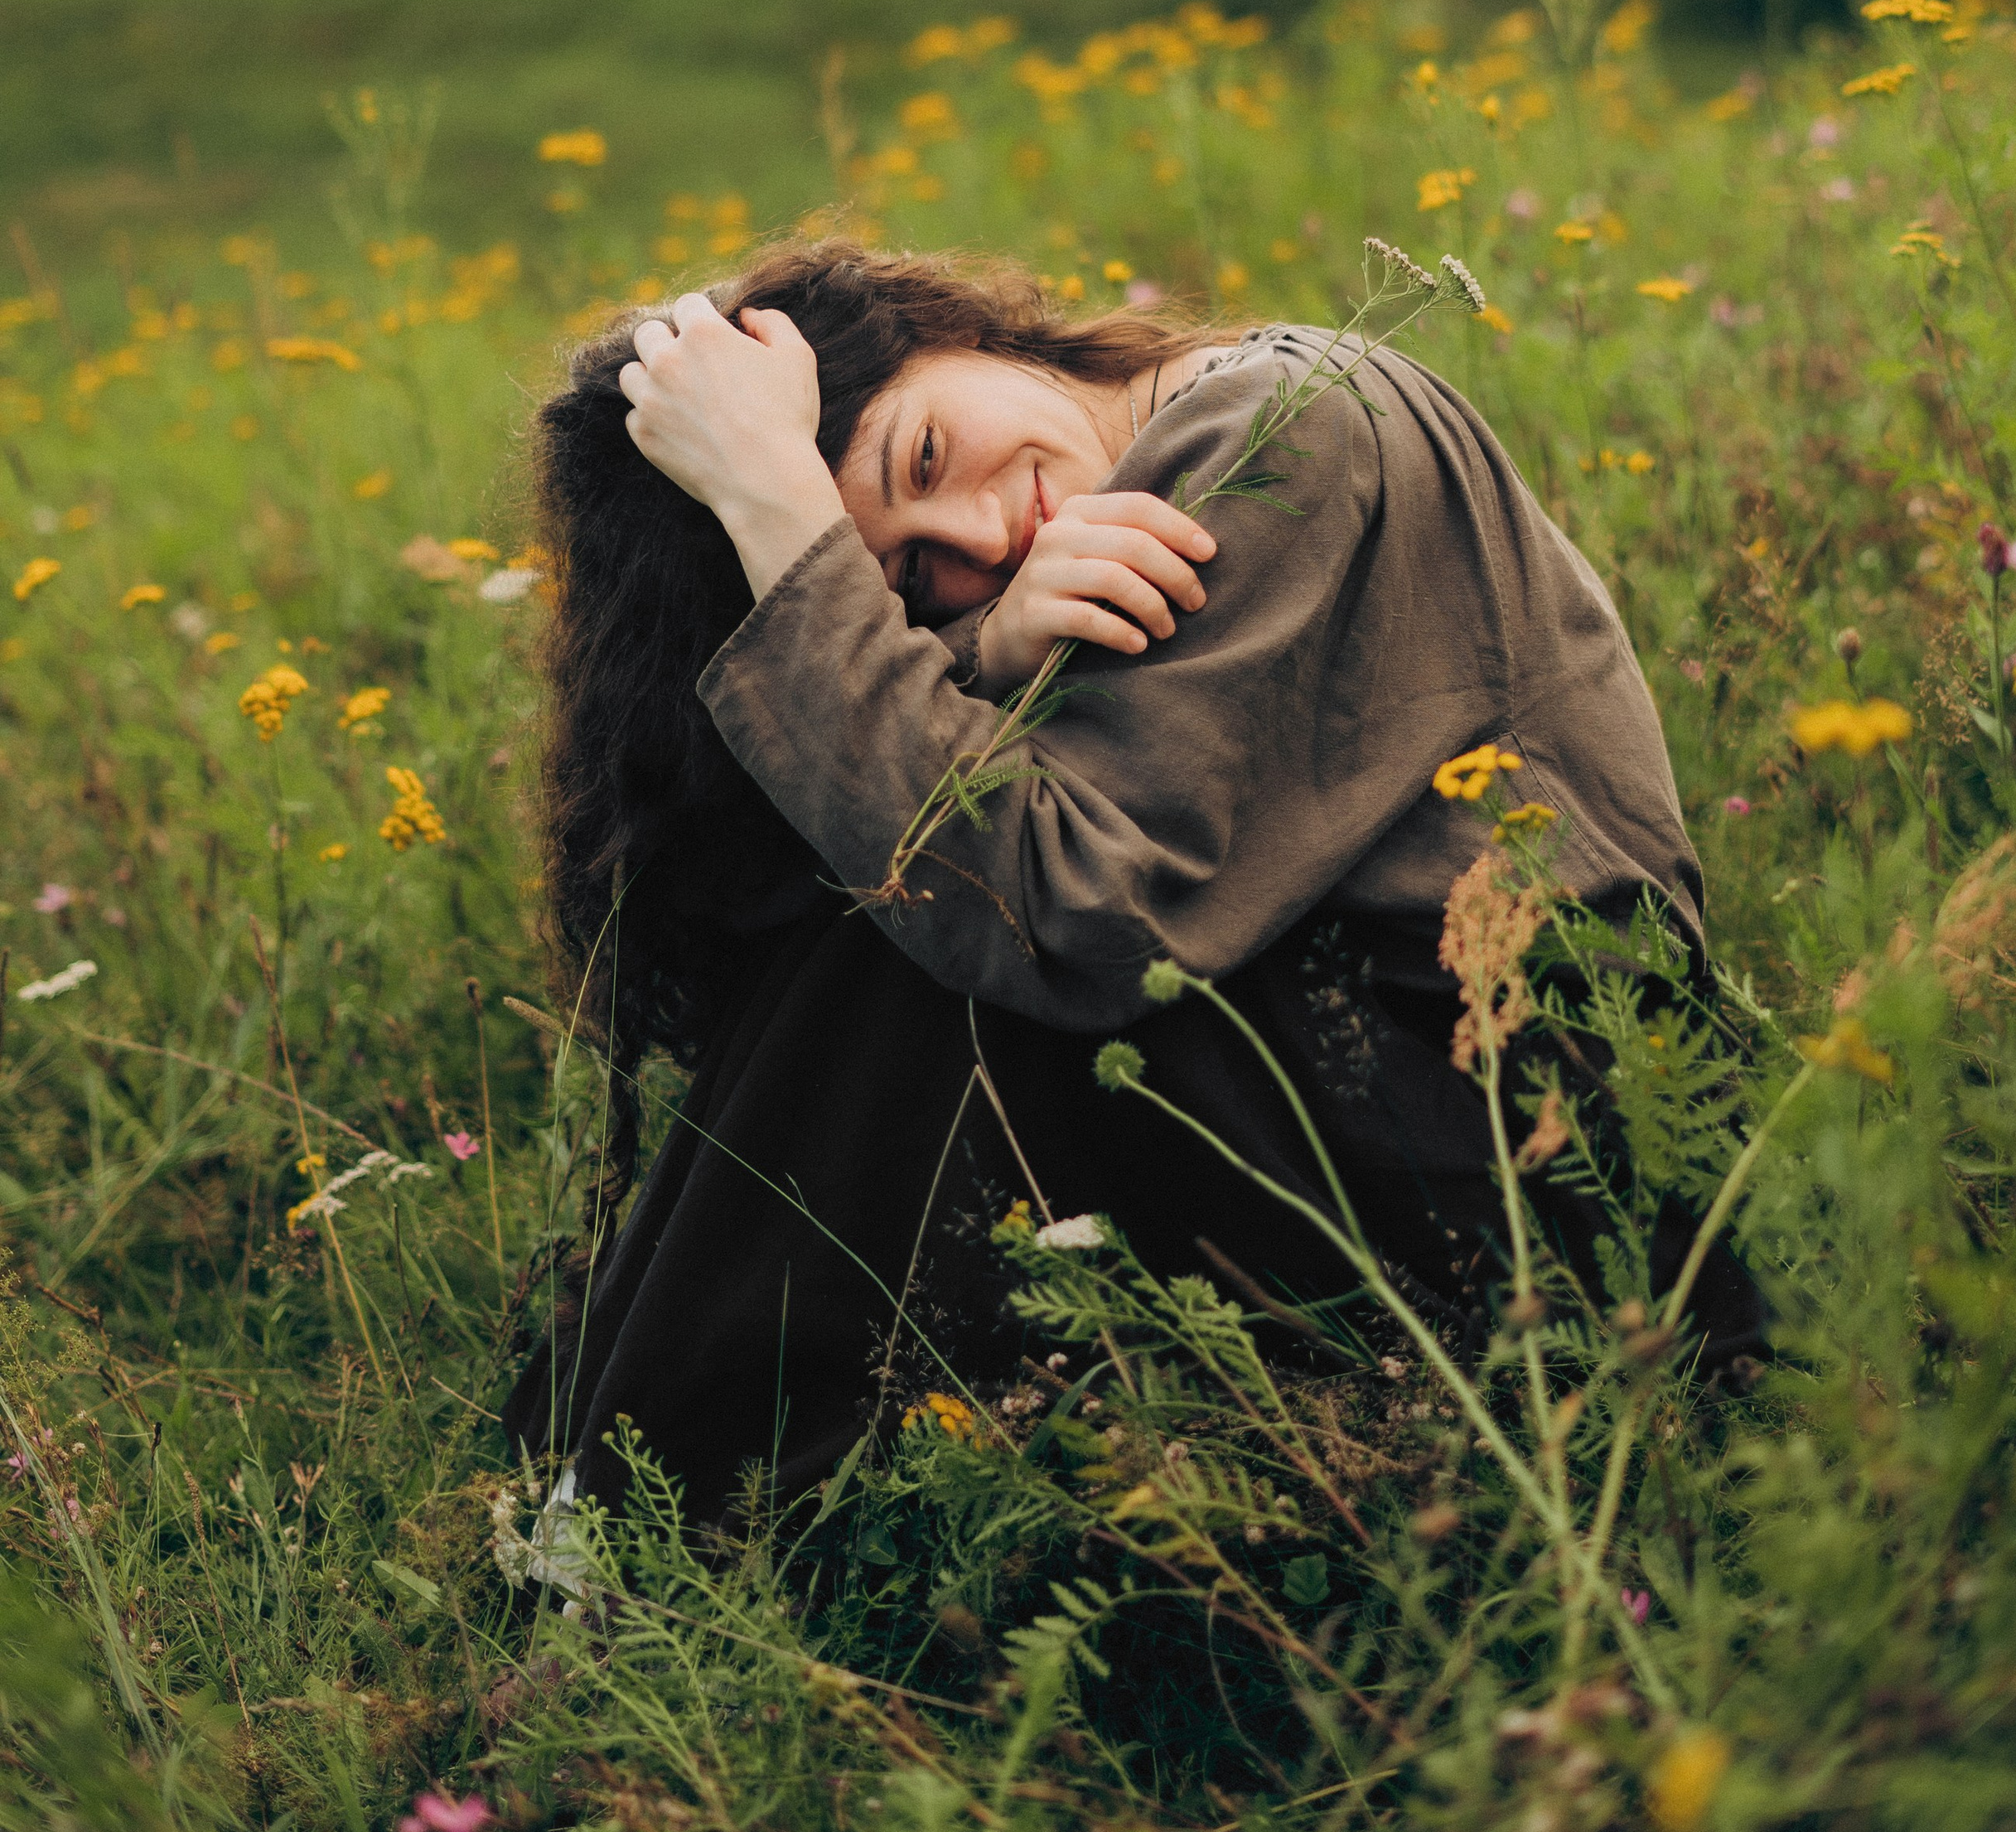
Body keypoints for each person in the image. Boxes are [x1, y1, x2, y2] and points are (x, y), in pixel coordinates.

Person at [505, 242, 1748, 1521]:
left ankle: (661, 1500)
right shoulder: (1114, 505)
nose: (984, 535)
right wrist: (983, 646)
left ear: (950, 330)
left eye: (924, 457)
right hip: (1398, 1100)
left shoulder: (1289, 431)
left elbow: (1062, 906)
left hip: (1552, 1148)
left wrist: (778, 501)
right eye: (914, 583)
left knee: (928, 911)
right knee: (882, 876)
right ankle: (680, 1482)